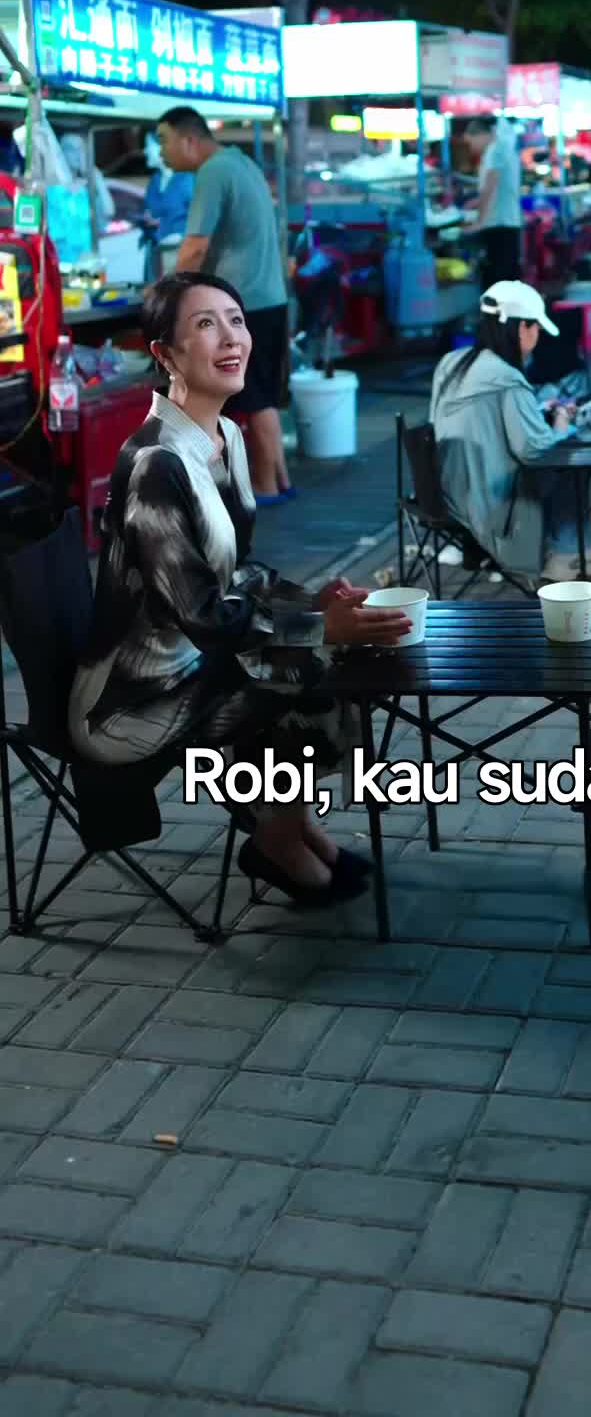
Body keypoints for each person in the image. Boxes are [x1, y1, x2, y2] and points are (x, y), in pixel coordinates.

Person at [68, 273, 411, 901]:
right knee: (313, 672)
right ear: (165, 354)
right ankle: (279, 840)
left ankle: (289, 827)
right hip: (137, 698)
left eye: (236, 319)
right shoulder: (156, 464)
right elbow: (203, 613)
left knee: (331, 653)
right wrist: (317, 627)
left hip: (198, 662)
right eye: (205, 324)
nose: (231, 338)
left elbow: (238, 573)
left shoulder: (225, 436)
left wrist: (312, 603)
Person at [431, 280, 591, 583]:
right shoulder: (506, 377)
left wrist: (534, 411)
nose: (537, 334)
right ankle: (565, 556)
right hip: (491, 503)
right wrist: (561, 424)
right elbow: (535, 450)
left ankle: (541, 548)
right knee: (571, 464)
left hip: (445, 495)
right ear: (522, 328)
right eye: (536, 326)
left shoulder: (451, 362)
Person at [157, 106, 291, 506]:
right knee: (264, 395)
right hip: (269, 299)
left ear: (189, 140)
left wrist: (167, 294)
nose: (161, 151)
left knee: (253, 398)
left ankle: (265, 487)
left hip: (243, 306)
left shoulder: (213, 172)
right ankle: (280, 481)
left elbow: (195, 247)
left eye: (164, 140)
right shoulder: (243, 163)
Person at [464, 115, 522, 285]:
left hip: (499, 223)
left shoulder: (496, 150)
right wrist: (477, 202)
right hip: (507, 222)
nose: (472, 148)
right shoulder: (502, 148)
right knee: (507, 278)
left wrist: (479, 221)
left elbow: (490, 186)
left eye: (471, 142)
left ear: (480, 135)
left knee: (499, 279)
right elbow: (498, 186)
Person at [142, 130, 194, 251]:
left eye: (148, 146)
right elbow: (153, 215)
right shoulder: (155, 180)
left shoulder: (188, 178)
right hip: (157, 250)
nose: (145, 151)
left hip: (182, 252)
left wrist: (181, 236)